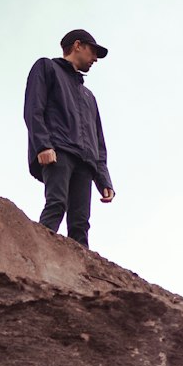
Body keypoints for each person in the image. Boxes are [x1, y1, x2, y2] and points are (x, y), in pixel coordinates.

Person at [23, 29, 115, 248]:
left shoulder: (88, 96)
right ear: (77, 45)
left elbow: (98, 141)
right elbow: (33, 109)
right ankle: (39, 253)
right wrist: (43, 145)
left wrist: (103, 179)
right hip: (58, 151)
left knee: (81, 223)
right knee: (56, 204)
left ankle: (81, 274)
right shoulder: (47, 68)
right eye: (93, 52)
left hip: (86, 162)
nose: (95, 59)